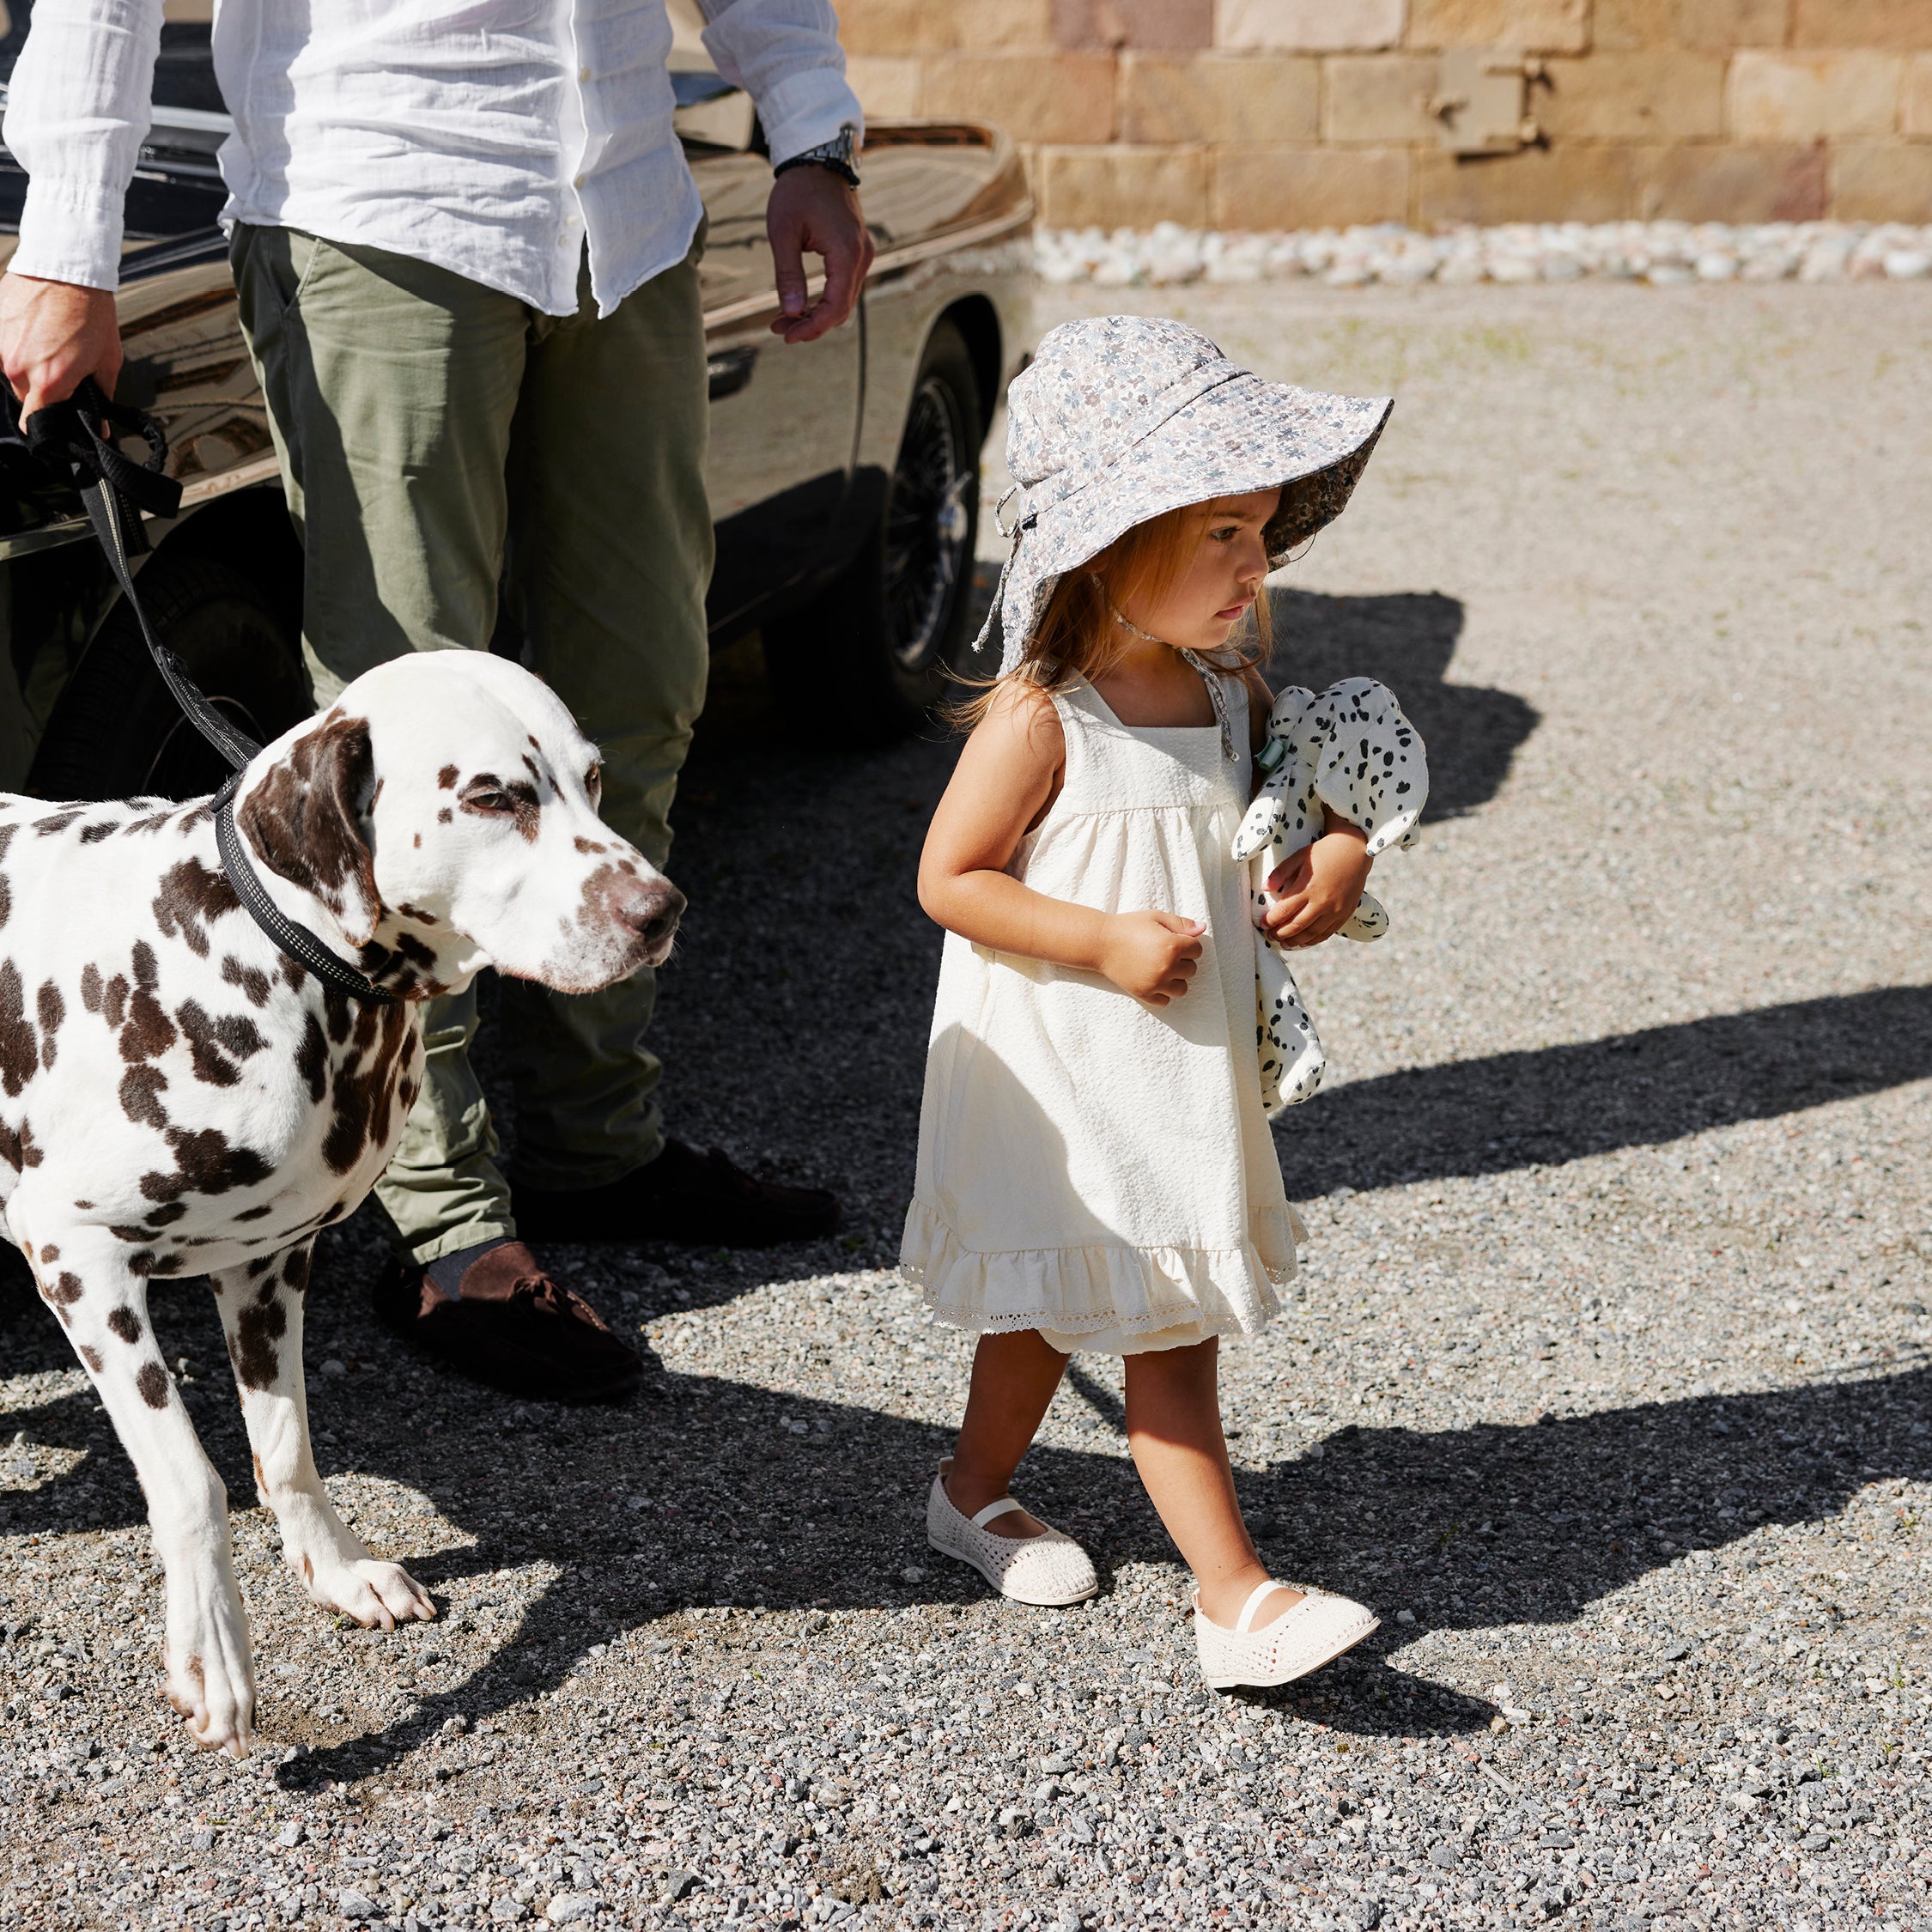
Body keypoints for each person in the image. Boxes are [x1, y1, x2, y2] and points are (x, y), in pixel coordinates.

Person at [0, 0, 873, 1403]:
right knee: (400, 749)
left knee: (637, 696)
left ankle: (601, 1141)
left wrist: (807, 129)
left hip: (624, 209)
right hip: (382, 197)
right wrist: (66, 247)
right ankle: (443, 1223)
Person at [902, 316, 1425, 1690]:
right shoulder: (1043, 715)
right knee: (1159, 1332)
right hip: (1075, 1072)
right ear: (1110, 542)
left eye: (1258, 532)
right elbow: (949, 880)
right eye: (1220, 535)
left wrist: (1338, 853)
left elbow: (1298, 807)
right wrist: (1098, 939)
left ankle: (968, 1492)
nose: (1256, 565)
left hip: (1174, 1076)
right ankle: (1234, 1596)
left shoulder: (1225, 684)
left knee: (1052, 1309)